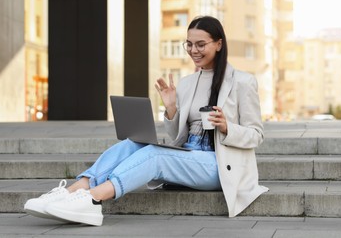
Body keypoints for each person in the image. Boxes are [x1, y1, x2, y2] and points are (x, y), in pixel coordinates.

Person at [24, 16, 268, 226]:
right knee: (133, 144)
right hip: (190, 154)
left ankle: (92, 200)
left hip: (219, 164)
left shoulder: (242, 82)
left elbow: (256, 134)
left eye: (201, 44)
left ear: (219, 44)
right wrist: (171, 108)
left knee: (156, 155)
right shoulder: (187, 83)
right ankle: (68, 193)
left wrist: (226, 127)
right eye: (189, 44)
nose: (194, 50)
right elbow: (176, 136)